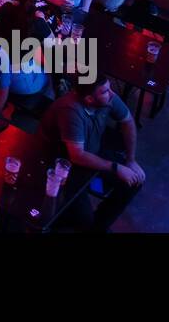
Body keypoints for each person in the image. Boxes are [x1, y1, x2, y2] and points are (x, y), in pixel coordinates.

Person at [40, 73, 144, 231]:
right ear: (89, 99)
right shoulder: (71, 111)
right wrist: (116, 167)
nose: (112, 94)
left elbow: (128, 121)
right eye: (105, 92)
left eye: (109, 89)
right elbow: (77, 156)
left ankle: (97, 227)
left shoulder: (107, 98)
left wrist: (130, 160)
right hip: (63, 165)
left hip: (91, 153)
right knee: (84, 220)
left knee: (134, 182)